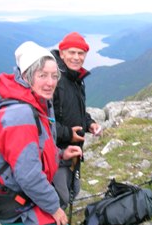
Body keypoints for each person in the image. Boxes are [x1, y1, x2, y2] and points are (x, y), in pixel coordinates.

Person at [0, 41, 99, 225]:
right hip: (20, 205)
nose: (50, 83)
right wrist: (53, 208)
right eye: (42, 75)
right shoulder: (20, 115)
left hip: (7, 202)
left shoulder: (31, 102)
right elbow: (28, 175)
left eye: (54, 75)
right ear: (26, 75)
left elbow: (29, 154)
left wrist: (60, 155)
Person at [51, 32, 101, 209]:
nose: (76, 57)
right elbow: (42, 121)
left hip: (74, 150)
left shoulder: (76, 78)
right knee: (59, 198)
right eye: (71, 52)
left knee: (73, 189)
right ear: (62, 52)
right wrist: (67, 134)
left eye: (81, 53)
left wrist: (89, 123)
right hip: (56, 152)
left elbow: (76, 110)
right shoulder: (53, 78)